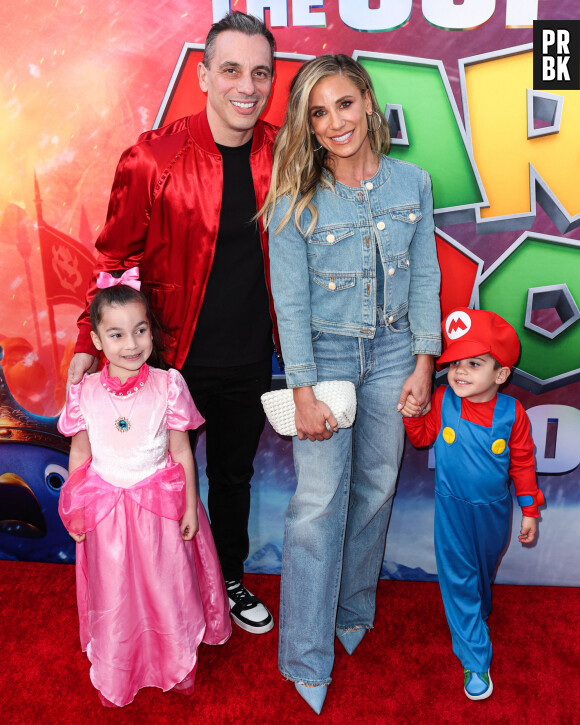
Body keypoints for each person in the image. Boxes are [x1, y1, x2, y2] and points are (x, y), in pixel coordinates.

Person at [66, 11, 279, 634]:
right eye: (232, 69)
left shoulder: (283, 155)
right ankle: (161, 591)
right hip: (165, 361)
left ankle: (230, 579)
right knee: (157, 481)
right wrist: (88, 339)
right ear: (205, 76)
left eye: (260, 72)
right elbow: (114, 259)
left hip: (248, 359)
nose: (247, 85)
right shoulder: (152, 157)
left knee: (232, 478)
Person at [261, 54, 441, 713]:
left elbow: (425, 277)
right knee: (317, 502)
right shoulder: (294, 198)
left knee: (376, 487)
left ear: (367, 100)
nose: (334, 121)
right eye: (317, 112)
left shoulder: (412, 183)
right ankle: (307, 654)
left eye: (342, 103)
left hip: (395, 351)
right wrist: (303, 388)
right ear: (306, 126)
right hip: (326, 359)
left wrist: (425, 360)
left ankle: (352, 607)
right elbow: (291, 302)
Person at [57, 269, 231, 707]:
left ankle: (171, 654)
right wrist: (76, 507)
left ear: (151, 331)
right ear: (96, 341)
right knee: (116, 590)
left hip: (159, 504)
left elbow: (183, 451)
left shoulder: (169, 385)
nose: (131, 344)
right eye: (116, 335)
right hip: (106, 509)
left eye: (140, 330)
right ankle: (123, 657)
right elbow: (80, 454)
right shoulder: (84, 392)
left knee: (165, 585)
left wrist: (190, 507)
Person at [402, 307, 545, 701]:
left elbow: (523, 462)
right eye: (455, 364)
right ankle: (475, 658)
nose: (459, 372)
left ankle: (475, 615)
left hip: (494, 513)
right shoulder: (445, 399)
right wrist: (413, 415)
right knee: (460, 580)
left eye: (474, 364)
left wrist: (530, 509)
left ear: (500, 375)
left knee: (481, 573)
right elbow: (421, 438)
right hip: (451, 511)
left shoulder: (511, 413)